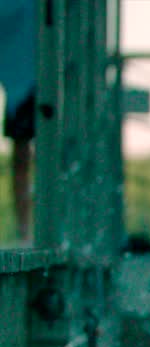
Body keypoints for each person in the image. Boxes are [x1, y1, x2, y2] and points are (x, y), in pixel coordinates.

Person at [1, 0, 37, 245]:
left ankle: (26, 229)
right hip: (24, 80)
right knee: (22, 157)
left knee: (23, 157)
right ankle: (25, 230)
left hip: (27, 78)